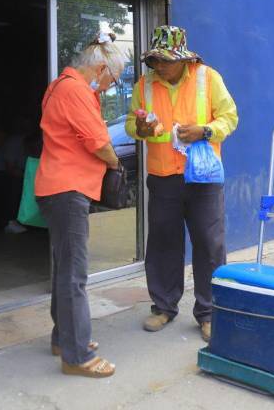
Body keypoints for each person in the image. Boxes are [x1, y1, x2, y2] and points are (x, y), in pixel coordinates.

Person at [125, 25, 238, 343]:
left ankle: (211, 312)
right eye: (155, 60)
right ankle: (163, 306)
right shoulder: (144, 85)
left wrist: (204, 131)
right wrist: (142, 130)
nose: (159, 66)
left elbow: (229, 117)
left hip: (203, 177)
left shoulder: (208, 77)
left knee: (209, 243)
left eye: (165, 60)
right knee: (162, 241)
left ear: (183, 59)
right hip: (163, 177)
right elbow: (133, 123)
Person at [35, 32, 126, 378]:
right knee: (75, 274)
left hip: (57, 188)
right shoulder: (75, 90)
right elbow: (99, 142)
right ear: (100, 68)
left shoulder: (60, 85)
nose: (109, 88)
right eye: (111, 80)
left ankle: (63, 338)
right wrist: (116, 163)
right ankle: (77, 356)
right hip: (67, 189)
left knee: (64, 269)